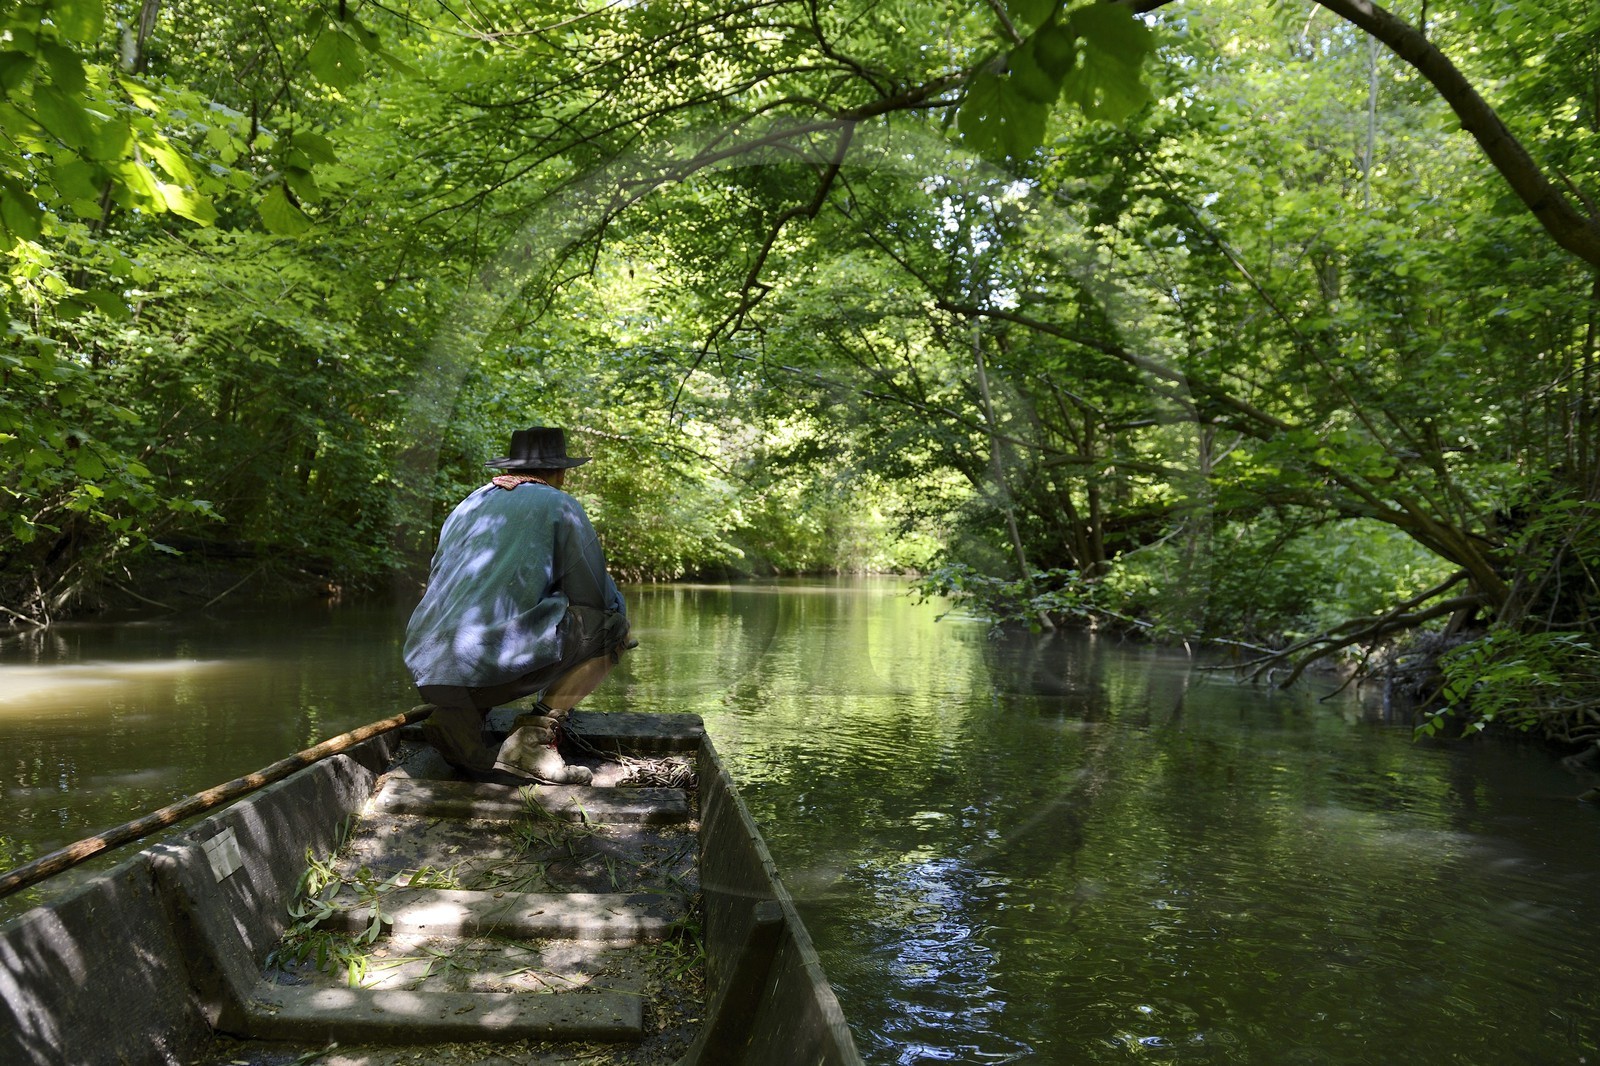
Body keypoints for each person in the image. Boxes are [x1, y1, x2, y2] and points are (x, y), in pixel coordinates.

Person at [403, 426, 632, 784]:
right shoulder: (561, 505)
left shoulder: (467, 504)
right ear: (559, 473)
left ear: (511, 468)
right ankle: (533, 742)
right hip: (481, 667)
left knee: (494, 628)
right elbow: (595, 600)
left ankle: (458, 719)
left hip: (428, 670)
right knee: (612, 628)